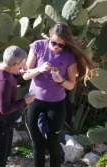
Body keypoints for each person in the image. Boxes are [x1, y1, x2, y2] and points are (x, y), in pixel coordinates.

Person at [23, 23, 96, 167]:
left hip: (55, 103)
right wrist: (39, 69)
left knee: (53, 143)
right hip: (34, 99)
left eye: (61, 45)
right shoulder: (38, 46)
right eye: (53, 42)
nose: (56, 47)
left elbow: (71, 84)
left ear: (66, 44)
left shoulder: (69, 56)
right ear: (49, 37)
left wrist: (61, 80)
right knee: (37, 143)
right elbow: (25, 76)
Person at [0, 45, 36, 167]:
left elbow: (10, 75)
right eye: (21, 64)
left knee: (4, 156)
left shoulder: (0, 66)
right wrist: (25, 100)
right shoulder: (4, 83)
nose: (22, 65)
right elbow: (5, 109)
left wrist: (19, 72)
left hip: (3, 122)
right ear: (14, 65)